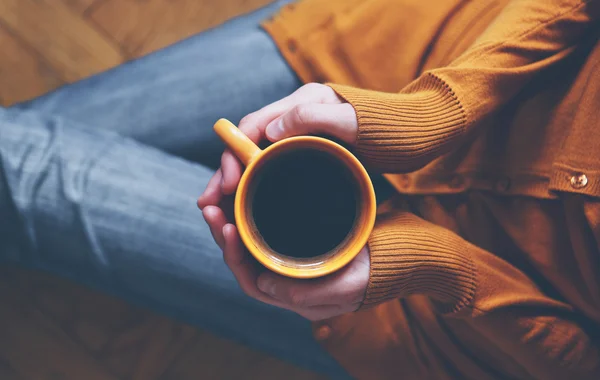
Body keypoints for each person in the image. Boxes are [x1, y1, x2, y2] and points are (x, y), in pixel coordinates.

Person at [1, 0, 599, 378]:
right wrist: (436, 111)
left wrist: (445, 269)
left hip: (427, 319)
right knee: (27, 174)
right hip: (412, 60)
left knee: (30, 175)